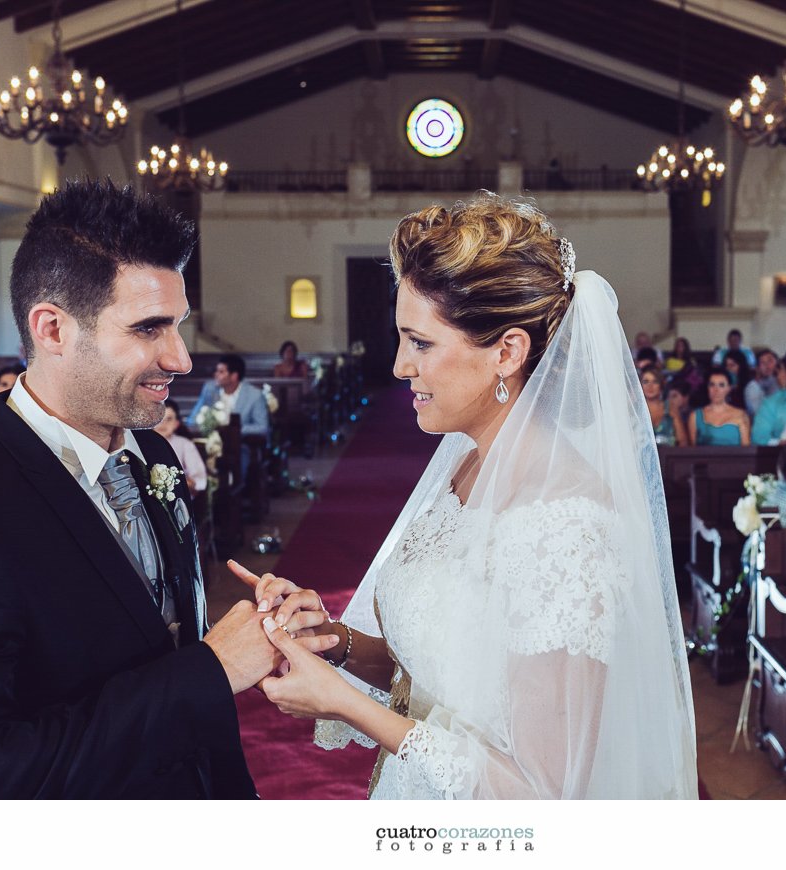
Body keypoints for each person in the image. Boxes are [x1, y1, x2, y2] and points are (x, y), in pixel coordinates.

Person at [0, 180, 333, 798]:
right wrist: (213, 671)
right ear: (53, 330)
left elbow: (152, 635)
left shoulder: (154, 453)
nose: (180, 358)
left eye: (178, 326)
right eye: (148, 329)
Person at [234, 195, 697, 798]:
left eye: (420, 343)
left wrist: (350, 707)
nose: (401, 366)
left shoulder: (568, 525)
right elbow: (444, 673)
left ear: (507, 351)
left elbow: (540, 791)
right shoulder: (467, 469)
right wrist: (337, 644)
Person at [188, 353, 270, 438]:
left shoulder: (254, 395)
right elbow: (192, 419)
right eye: (216, 371)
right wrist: (207, 426)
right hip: (210, 440)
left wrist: (232, 430)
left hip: (241, 444)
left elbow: (262, 428)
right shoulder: (210, 389)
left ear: (234, 376)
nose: (216, 375)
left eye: (221, 372)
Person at [156, 399, 208, 492]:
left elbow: (201, 480)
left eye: (169, 419)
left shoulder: (184, 444)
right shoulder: (140, 442)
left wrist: (181, 483)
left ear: (176, 424)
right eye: (159, 418)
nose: (163, 424)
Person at [690, 367, 750, 446]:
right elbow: (691, 452)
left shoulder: (741, 415)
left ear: (728, 388)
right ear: (707, 388)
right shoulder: (695, 416)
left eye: (721, 385)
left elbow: (746, 451)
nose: (716, 389)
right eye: (712, 385)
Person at [639, 364, 687, 446]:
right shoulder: (634, 410)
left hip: (669, 457)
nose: (650, 386)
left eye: (655, 381)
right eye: (645, 382)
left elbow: (683, 442)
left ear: (661, 385)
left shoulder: (671, 408)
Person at [744, 348, 780, 416]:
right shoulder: (753, 387)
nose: (767, 365)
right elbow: (758, 413)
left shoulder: (782, 381)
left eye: (770, 361)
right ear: (757, 367)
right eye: (763, 363)